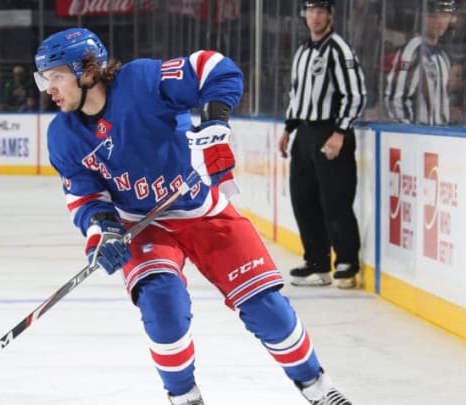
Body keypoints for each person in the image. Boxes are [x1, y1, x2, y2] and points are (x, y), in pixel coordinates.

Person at [35, 27, 353, 405]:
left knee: (264, 307)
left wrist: (216, 121)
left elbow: (215, 68)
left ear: (87, 71)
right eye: (44, 78)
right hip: (144, 224)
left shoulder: (141, 81)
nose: (47, 88)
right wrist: (103, 230)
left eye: (55, 76)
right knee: (162, 303)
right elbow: (85, 195)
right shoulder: (62, 135)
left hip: (203, 210)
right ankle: (184, 397)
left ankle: (316, 387)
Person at [278, 0, 366, 289]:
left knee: (335, 198)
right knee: (303, 198)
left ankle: (347, 261)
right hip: (304, 133)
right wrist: (289, 129)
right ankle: (317, 262)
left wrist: (340, 132)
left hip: (330, 131)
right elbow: (296, 93)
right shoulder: (303, 50)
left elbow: (355, 94)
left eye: (320, 11)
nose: (314, 17)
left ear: (330, 15)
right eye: (310, 11)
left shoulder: (339, 48)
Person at [384, 0, 455, 126]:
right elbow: (396, 99)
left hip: (441, 136)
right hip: (419, 136)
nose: (440, 22)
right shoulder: (412, 50)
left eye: (445, 16)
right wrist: (409, 131)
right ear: (423, 16)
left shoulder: (443, 57)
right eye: (433, 16)